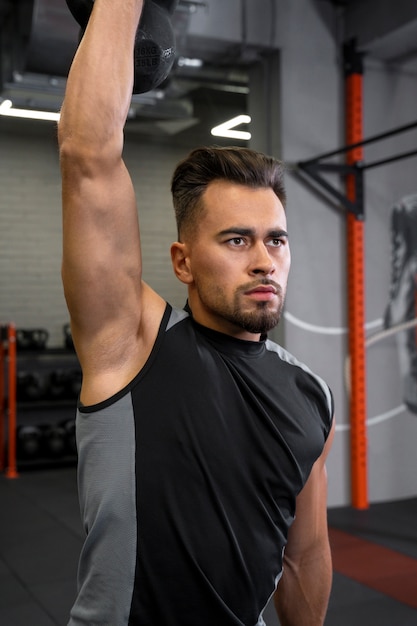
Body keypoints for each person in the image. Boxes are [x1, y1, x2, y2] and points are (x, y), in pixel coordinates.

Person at [58, 1, 335, 625]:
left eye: (277, 239)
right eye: (237, 240)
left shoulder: (310, 392)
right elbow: (88, 157)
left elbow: (306, 556)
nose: (264, 260)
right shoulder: (131, 344)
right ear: (183, 262)